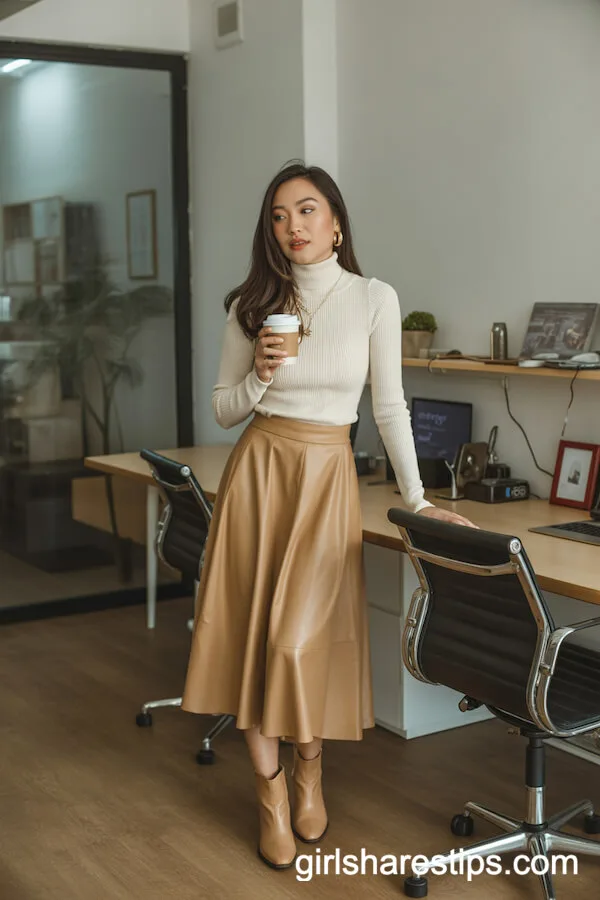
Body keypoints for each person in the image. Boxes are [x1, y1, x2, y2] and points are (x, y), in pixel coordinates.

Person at [181, 161, 476, 870]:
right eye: (279, 217)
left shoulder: (373, 298)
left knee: (298, 642)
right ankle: (271, 794)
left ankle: (309, 762)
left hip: (326, 477)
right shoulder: (251, 305)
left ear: (336, 221)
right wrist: (261, 372)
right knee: (255, 644)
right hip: (260, 474)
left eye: (307, 211)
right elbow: (224, 409)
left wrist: (417, 498)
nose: (293, 228)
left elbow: (387, 407)